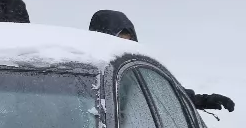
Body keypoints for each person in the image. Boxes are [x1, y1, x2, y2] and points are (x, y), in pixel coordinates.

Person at [88, 9, 235, 112]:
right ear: (102, 37)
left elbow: (167, 95)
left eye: (129, 41)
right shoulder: (84, 75)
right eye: (118, 40)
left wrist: (204, 100)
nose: (124, 46)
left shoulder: (132, 73)